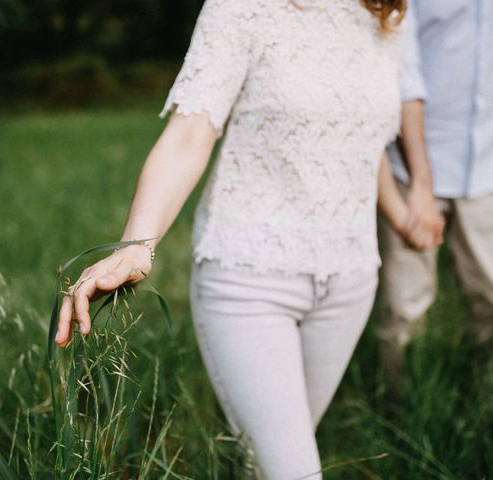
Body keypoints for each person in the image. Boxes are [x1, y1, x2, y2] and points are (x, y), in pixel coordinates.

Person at [54, 0, 435, 477]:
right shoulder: (241, 8)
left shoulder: (387, 12)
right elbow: (191, 132)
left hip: (350, 280)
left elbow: (356, 131)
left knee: (272, 461)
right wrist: (136, 243)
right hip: (248, 279)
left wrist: (400, 214)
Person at [376, 0, 493, 381]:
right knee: (404, 307)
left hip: (492, 160)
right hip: (412, 161)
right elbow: (404, 74)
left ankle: (491, 400)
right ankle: (401, 411)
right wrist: (422, 183)